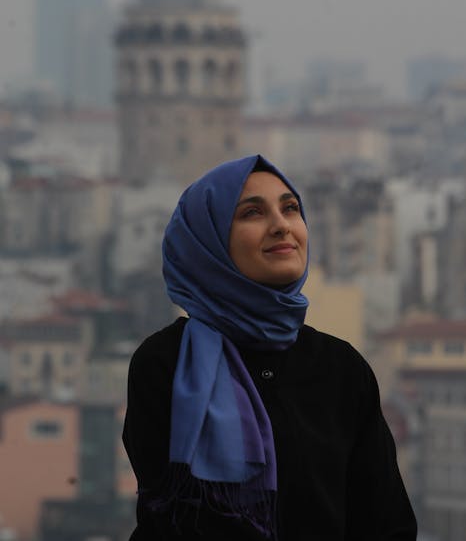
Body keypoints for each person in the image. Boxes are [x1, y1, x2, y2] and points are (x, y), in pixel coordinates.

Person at [122, 154, 417, 540]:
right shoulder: (167, 363)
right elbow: (165, 518)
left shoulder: (341, 367)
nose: (281, 226)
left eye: (291, 209)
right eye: (252, 213)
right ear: (207, 242)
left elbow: (384, 521)